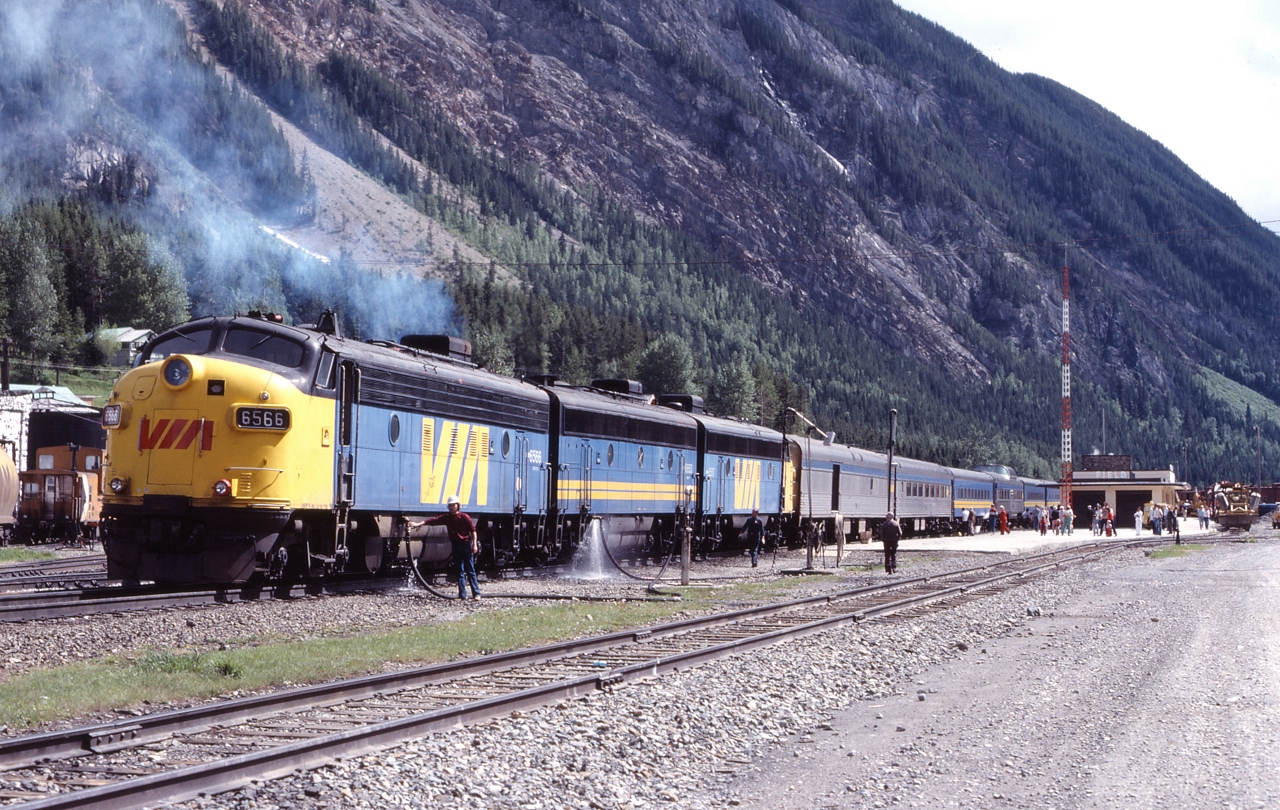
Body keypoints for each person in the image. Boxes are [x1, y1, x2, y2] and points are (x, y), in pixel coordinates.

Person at [411, 494, 481, 599]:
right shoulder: (447, 518)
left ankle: (476, 593)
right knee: (459, 571)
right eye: (450, 505)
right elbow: (432, 520)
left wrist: (474, 545)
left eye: (453, 505)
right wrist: (417, 524)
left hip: (466, 545)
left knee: (470, 569)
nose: (451, 507)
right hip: (456, 545)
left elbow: (473, 531)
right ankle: (462, 595)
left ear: (458, 505)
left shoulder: (464, 517)